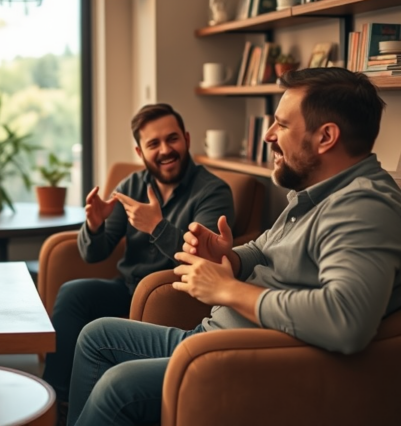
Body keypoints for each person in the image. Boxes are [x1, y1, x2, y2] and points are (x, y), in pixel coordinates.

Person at [66, 67, 401, 426]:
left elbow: (346, 320)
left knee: (119, 387)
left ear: (326, 137)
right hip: (214, 336)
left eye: (282, 125)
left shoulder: (363, 208)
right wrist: (227, 257)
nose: (269, 136)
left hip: (241, 356)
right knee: (95, 335)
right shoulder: (315, 194)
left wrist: (228, 289)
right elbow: (263, 248)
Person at [42, 103, 236, 419]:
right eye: (153, 144)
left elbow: (207, 259)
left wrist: (157, 227)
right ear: (140, 151)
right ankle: (57, 405)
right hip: (128, 288)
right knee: (74, 293)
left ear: (186, 138)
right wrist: (94, 224)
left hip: (173, 295)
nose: (165, 150)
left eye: (172, 139)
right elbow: (95, 253)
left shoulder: (213, 191)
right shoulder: (131, 186)